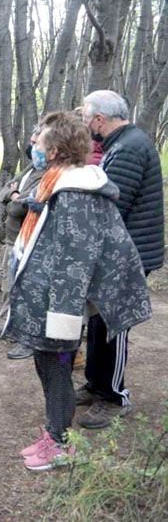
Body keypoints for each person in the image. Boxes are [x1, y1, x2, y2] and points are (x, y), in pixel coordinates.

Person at [4, 112, 151, 470]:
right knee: (45, 365)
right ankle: (55, 432)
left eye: (38, 141)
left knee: (55, 368)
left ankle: (59, 443)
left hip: (61, 306)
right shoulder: (55, 183)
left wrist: (63, 321)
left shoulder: (76, 193)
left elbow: (74, 263)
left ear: (54, 151)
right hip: (49, 299)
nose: (32, 146)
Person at [75, 90, 165, 429]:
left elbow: (112, 205)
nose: (86, 125)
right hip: (118, 252)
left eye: (86, 118)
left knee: (114, 325)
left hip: (129, 255)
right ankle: (96, 384)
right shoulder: (124, 143)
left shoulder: (129, 147)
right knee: (98, 324)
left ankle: (114, 397)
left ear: (100, 119)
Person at [0, 125, 47, 360]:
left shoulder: (48, 174)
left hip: (30, 239)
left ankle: (27, 336)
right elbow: (1, 190)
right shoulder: (29, 167)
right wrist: (13, 195)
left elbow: (17, 207)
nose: (32, 147)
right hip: (12, 238)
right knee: (8, 283)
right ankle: (9, 324)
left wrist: (14, 197)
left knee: (27, 289)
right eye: (32, 142)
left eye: (36, 143)